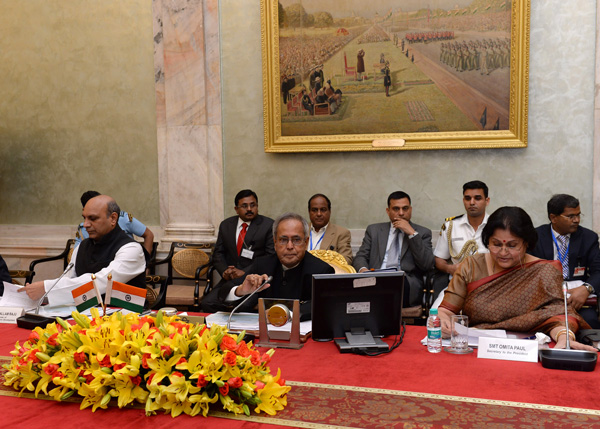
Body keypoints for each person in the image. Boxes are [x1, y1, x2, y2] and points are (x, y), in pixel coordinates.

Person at [438, 206, 595, 351]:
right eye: (496, 244)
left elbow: (557, 315)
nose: (503, 252)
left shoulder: (544, 271)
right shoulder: (471, 266)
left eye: (512, 245)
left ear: (526, 243)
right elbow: (447, 310)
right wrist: (444, 321)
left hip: (526, 351)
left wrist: (564, 338)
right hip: (479, 350)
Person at [19, 195, 147, 308]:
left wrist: (46, 288)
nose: (85, 224)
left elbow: (101, 281)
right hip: (85, 315)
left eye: (93, 218)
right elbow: (68, 280)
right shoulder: (82, 246)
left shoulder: (131, 249)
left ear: (113, 218)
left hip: (126, 320)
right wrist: (39, 294)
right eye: (84, 218)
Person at [203, 212, 334, 319]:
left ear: (306, 242)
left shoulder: (321, 270)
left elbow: (324, 305)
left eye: (296, 240)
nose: (289, 246)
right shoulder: (263, 264)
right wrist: (241, 290)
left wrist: (283, 314)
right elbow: (225, 290)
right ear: (275, 242)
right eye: (283, 240)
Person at [529, 194, 600, 328]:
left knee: (590, 321)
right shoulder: (535, 237)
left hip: (578, 300)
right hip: (545, 300)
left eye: (578, 215)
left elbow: (599, 271)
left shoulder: (588, 238)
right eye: (570, 216)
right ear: (553, 218)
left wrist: (586, 289)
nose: (577, 220)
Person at [353, 191, 434, 307]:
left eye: (405, 209)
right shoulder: (374, 230)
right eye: (396, 209)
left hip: (403, 281)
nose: (401, 213)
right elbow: (360, 256)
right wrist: (363, 271)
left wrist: (411, 233)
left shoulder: (422, 233)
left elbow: (427, 264)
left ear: (410, 210)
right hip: (374, 277)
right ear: (388, 211)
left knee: (397, 283)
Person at [432, 181, 490, 304]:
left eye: (477, 198)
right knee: (436, 317)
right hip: (458, 285)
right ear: (463, 200)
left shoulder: (496, 226)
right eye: (468, 198)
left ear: (487, 201)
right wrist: (450, 268)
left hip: (489, 286)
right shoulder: (451, 226)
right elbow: (439, 260)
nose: (472, 202)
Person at [212, 189, 275, 282]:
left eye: (253, 205)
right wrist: (224, 271)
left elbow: (270, 256)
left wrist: (244, 272)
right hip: (229, 280)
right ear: (236, 209)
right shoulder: (226, 225)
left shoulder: (268, 225)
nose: (249, 209)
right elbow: (218, 253)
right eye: (244, 206)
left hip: (256, 279)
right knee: (211, 297)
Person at [75, 190, 154, 254]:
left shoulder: (123, 219)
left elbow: (148, 235)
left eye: (93, 218)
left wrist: (145, 264)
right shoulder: (83, 228)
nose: (86, 225)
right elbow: (76, 254)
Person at [307, 194, 353, 264]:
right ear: (309, 212)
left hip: (326, 273)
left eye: (323, 210)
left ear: (329, 211)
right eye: (314, 210)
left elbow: (345, 260)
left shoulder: (341, 233)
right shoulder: (300, 230)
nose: (319, 214)